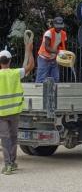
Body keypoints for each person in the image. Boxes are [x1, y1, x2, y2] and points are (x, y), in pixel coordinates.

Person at [0, 43, 34, 175]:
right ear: (9, 61)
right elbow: (30, 66)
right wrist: (30, 51)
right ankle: (12, 163)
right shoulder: (16, 73)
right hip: (15, 112)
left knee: (5, 139)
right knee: (13, 138)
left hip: (1, 113)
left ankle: (8, 165)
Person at [36, 16, 67, 83]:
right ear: (54, 25)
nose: (59, 27)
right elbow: (47, 48)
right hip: (44, 58)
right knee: (41, 79)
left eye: (60, 26)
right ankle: (39, 93)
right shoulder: (48, 33)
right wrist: (58, 52)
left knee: (55, 79)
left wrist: (63, 53)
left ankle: (53, 93)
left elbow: (61, 45)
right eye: (57, 26)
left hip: (53, 59)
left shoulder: (63, 34)